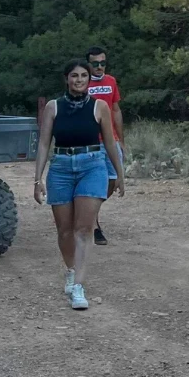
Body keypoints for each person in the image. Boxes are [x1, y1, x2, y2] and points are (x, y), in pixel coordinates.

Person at [35, 58, 125, 309]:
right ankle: (71, 270)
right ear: (67, 79)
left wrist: (119, 174)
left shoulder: (99, 107)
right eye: (74, 76)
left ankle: (78, 287)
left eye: (84, 76)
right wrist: (37, 179)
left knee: (83, 229)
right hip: (61, 167)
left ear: (89, 79)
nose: (79, 80)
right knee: (64, 230)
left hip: (92, 165)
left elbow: (110, 143)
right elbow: (43, 144)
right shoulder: (53, 107)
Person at [86, 46, 123, 246]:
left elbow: (115, 110)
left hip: (111, 140)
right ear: (88, 64)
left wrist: (121, 140)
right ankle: (94, 225)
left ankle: (89, 213)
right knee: (94, 182)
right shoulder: (82, 82)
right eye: (95, 63)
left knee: (114, 179)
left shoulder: (111, 81)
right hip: (91, 141)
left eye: (103, 63)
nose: (99, 67)